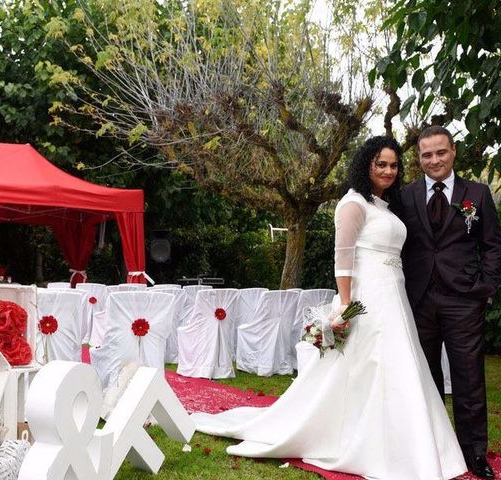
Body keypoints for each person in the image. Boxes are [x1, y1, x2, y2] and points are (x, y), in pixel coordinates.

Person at [192, 136, 467, 480]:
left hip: (395, 297)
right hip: (367, 299)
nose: (388, 170)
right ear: (365, 164)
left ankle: (404, 441)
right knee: (369, 367)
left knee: (399, 368)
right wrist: (346, 305)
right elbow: (343, 258)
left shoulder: (384, 206)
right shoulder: (353, 204)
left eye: (394, 165)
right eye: (380, 164)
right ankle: (364, 442)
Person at [400, 126, 501, 479]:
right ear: (419, 158)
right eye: (426, 155)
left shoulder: (477, 193)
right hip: (419, 300)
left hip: (464, 301)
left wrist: (485, 288)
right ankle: (431, 447)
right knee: (424, 379)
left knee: (469, 378)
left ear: (453, 151)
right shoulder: (406, 195)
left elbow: (492, 245)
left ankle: (474, 454)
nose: (434, 160)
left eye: (440, 152)